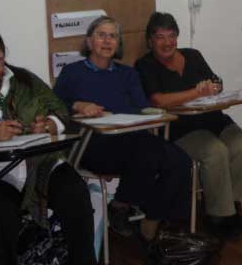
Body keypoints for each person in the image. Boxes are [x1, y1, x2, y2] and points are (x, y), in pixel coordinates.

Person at [0, 28, 96, 265]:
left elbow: (60, 110)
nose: (0, 54)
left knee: (75, 194)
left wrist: (49, 125)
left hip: (41, 164)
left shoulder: (23, 79)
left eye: (0, 48)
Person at [53, 16, 192, 244]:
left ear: (119, 44)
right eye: (101, 35)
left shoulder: (128, 74)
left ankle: (153, 220)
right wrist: (78, 105)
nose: (107, 41)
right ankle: (123, 206)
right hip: (93, 145)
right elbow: (54, 109)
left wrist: (154, 114)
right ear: (89, 42)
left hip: (132, 142)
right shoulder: (72, 73)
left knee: (181, 162)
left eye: (113, 36)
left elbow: (140, 109)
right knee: (149, 154)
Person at [135, 12, 242, 240]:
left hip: (214, 120)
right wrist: (195, 92)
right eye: (160, 37)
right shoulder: (145, 65)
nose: (167, 42)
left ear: (177, 37)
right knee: (215, 151)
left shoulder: (193, 55)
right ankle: (219, 216)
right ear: (150, 40)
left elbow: (216, 82)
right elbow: (158, 100)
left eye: (171, 36)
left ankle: (236, 205)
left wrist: (214, 87)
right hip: (182, 129)